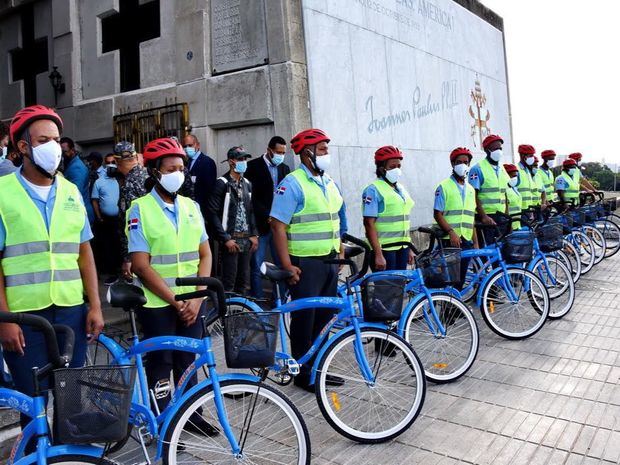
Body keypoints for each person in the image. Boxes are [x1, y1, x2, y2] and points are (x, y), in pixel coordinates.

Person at [0, 105, 104, 429]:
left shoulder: (71, 192)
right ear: (22, 146)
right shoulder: (3, 193)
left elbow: (84, 254)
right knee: (33, 405)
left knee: (70, 399)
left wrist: (95, 305)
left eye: (56, 139)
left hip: (71, 311)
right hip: (24, 318)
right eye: (43, 139)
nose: (53, 147)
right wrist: (3, 319)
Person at [126, 137, 217, 436]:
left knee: (187, 360)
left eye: (181, 167)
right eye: (171, 168)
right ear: (155, 172)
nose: (178, 173)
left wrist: (198, 297)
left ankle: (192, 414)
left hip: (193, 299)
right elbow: (141, 264)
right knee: (162, 361)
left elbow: (205, 254)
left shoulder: (191, 206)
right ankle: (163, 419)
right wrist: (175, 301)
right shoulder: (139, 209)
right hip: (158, 303)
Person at [270, 128, 347, 392]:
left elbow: (334, 218)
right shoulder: (292, 183)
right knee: (306, 319)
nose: (327, 154)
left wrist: (340, 248)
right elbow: (277, 226)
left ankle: (321, 368)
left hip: (329, 261)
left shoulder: (328, 182)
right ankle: (303, 374)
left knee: (326, 317)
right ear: (308, 153)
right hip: (304, 264)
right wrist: (286, 265)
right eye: (323, 150)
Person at [245, 136, 291, 298]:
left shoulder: (285, 169)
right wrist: (267, 215)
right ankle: (256, 300)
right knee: (257, 265)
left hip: (279, 226)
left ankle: (279, 299)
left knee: (281, 264)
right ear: (269, 150)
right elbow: (251, 197)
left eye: (283, 152)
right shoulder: (253, 167)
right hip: (261, 225)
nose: (281, 155)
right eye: (278, 152)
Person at [208, 147, 258, 294]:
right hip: (231, 239)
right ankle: (227, 313)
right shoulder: (222, 183)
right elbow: (212, 213)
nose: (244, 162)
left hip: (246, 239)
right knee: (229, 280)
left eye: (245, 159)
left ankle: (240, 313)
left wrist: (254, 234)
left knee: (244, 280)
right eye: (240, 159)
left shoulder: (247, 183)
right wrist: (225, 239)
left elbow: (251, 211)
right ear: (231, 162)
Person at [362, 145, 414, 271]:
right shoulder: (373, 190)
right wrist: (378, 254)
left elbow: (403, 221)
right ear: (381, 169)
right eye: (392, 167)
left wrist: (409, 247)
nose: (397, 170)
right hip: (384, 250)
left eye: (399, 166)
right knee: (386, 289)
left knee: (399, 287)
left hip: (402, 248)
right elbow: (369, 224)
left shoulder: (400, 189)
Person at [433, 147, 479, 288]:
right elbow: (437, 214)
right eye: (459, 162)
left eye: (466, 162)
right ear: (453, 164)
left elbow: (471, 219)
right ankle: (447, 309)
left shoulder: (471, 189)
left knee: (460, 281)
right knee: (450, 281)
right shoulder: (444, 187)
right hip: (450, 242)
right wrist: (451, 232)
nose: (462, 165)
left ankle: (455, 309)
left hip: (466, 240)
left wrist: (475, 242)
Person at [115, 141, 148, 281]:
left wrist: (128, 258)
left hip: (139, 249)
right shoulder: (148, 175)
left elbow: (129, 223)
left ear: (117, 161)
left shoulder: (129, 183)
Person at [469, 134, 510, 245]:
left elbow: (504, 193)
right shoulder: (477, 169)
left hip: (501, 217)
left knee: (501, 253)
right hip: (486, 218)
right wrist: (483, 216)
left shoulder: (502, 168)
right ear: (488, 150)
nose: (499, 151)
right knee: (487, 252)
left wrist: (507, 215)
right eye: (496, 148)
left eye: (500, 148)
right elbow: (473, 195)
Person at [91, 154, 121, 278]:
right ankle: (109, 271)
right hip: (105, 220)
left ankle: (120, 268)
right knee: (106, 246)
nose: (111, 165)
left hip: (119, 219)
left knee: (118, 244)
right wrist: (99, 217)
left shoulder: (121, 180)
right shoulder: (99, 181)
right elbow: (95, 200)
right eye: (108, 162)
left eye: (113, 162)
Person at [182, 134, 217, 220]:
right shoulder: (186, 163)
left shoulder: (207, 162)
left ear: (198, 145)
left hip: (202, 211)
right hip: (188, 209)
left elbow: (209, 190)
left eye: (190, 145)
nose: (187, 148)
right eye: (185, 146)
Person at [60, 137, 94, 223]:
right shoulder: (70, 164)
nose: (61, 155)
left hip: (81, 214)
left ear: (72, 150)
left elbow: (74, 194)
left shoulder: (77, 168)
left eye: (64, 152)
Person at [515, 144, 537, 210]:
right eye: (530, 156)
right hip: (521, 210)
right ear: (522, 156)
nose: (532, 158)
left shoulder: (527, 171)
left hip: (529, 209)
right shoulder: (516, 170)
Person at [503, 163, 522, 231]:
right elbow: (505, 210)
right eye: (513, 176)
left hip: (517, 225)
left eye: (516, 176)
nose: (515, 178)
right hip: (509, 226)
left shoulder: (514, 188)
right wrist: (509, 225)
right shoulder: (504, 190)